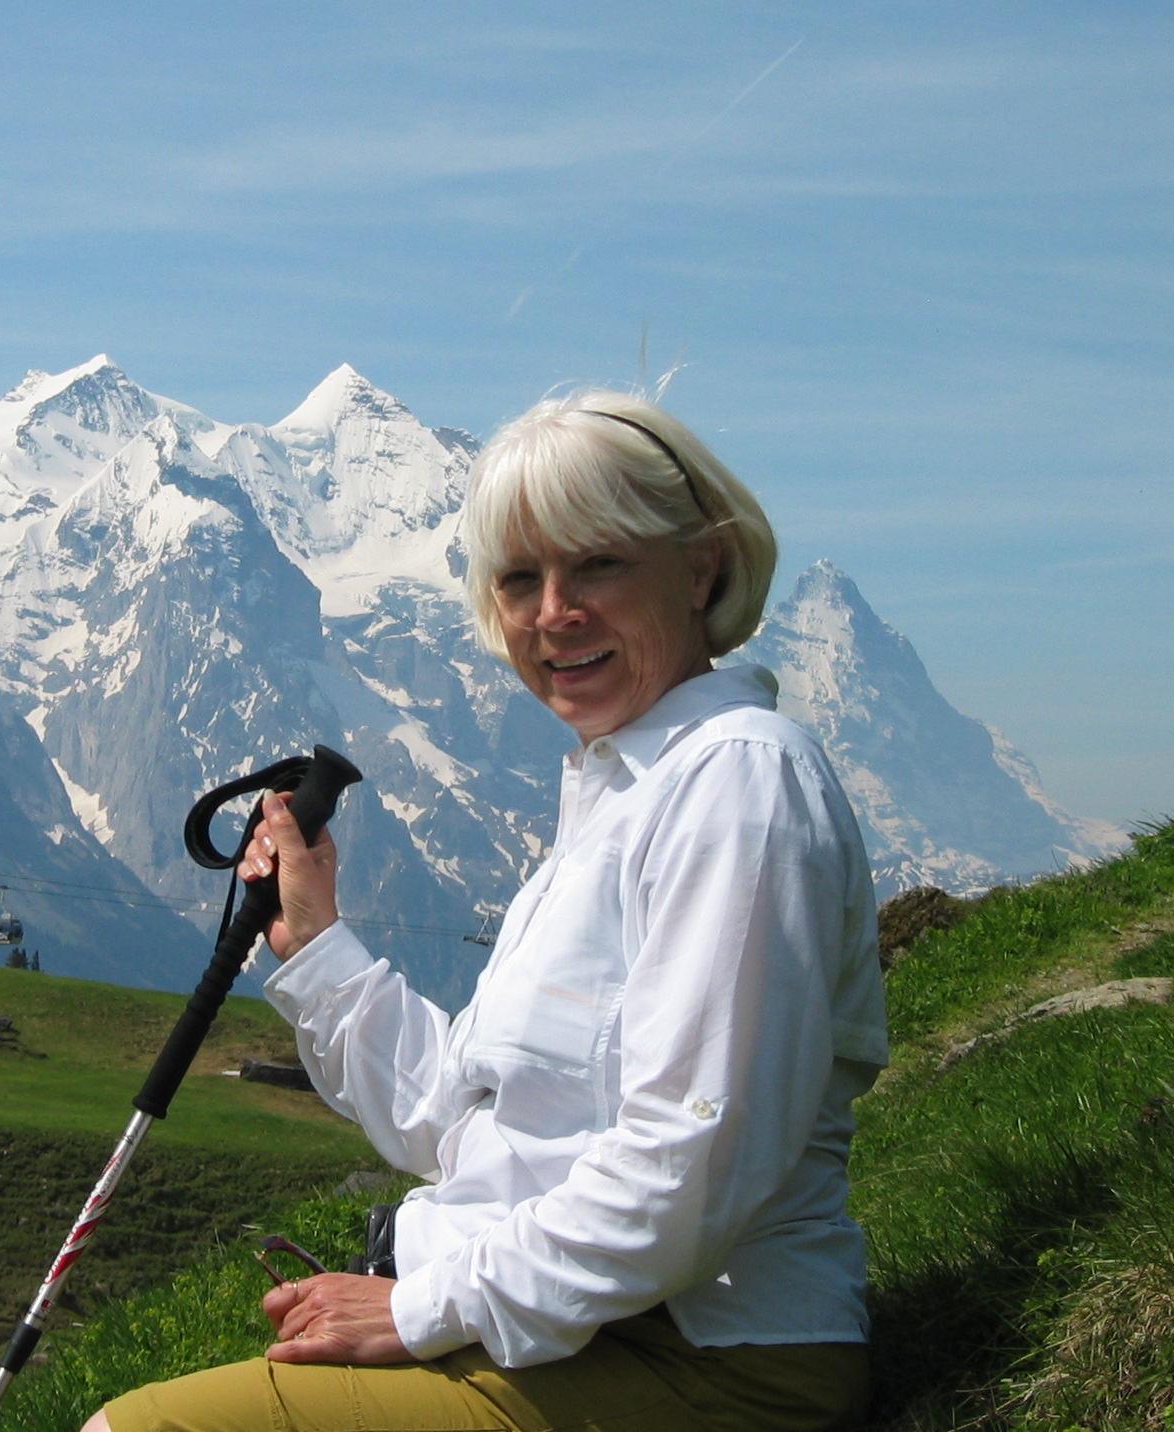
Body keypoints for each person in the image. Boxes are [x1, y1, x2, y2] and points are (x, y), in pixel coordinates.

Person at [92, 390, 887, 1432]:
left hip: (706, 1360)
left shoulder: (737, 780)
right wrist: (317, 944)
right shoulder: (623, 793)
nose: (554, 613)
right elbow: (465, 1123)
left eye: (598, 564)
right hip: (592, 1329)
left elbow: (692, 1163)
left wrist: (421, 1309)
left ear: (701, 569)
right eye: (519, 579)